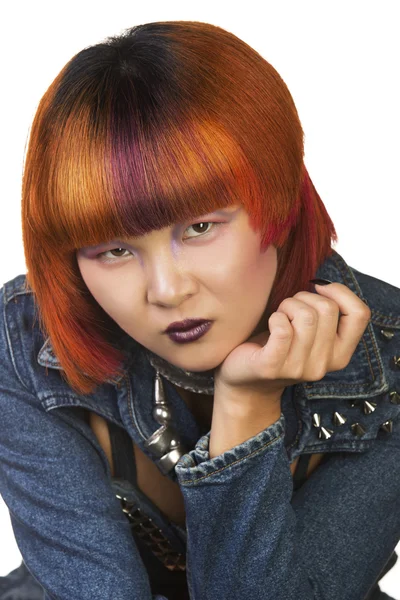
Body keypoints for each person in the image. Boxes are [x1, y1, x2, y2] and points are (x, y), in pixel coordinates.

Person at [0, 20, 399, 600]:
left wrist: (247, 407)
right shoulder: (23, 342)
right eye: (114, 249)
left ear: (279, 198)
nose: (165, 290)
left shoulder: (388, 357)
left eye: (200, 226)